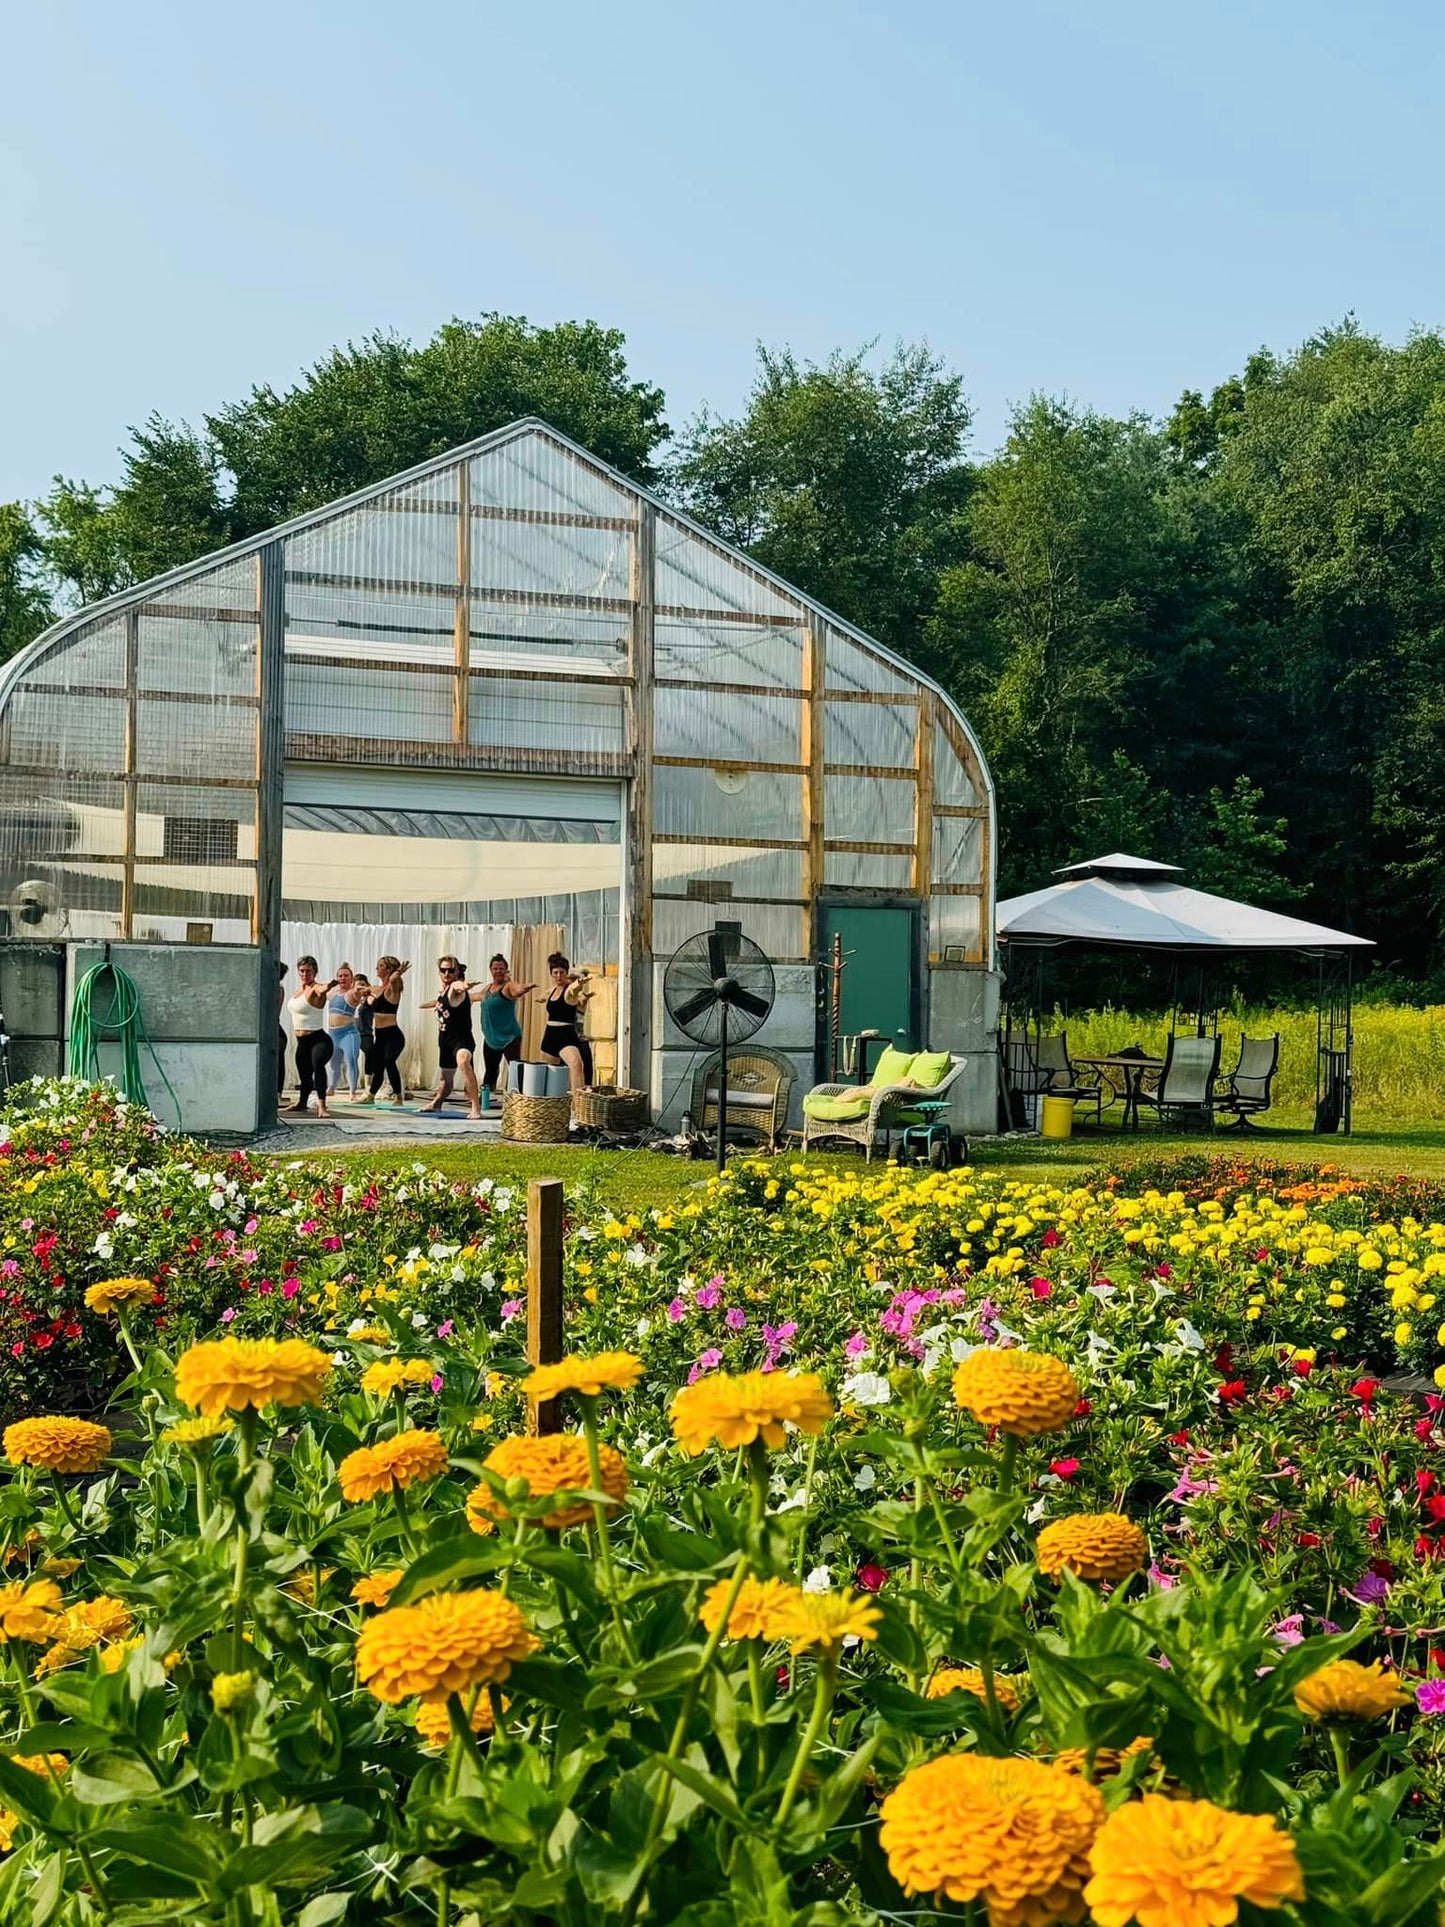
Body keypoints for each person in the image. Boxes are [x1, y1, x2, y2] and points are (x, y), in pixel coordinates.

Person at [421, 956, 486, 1119]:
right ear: (439, 973)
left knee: (463, 1061)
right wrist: (426, 1005)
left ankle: (475, 1107)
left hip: (461, 1040)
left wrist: (466, 985)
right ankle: (437, 1103)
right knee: (445, 1082)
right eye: (443, 970)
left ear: (457, 972)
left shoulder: (455, 987)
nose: (447, 973)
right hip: (445, 1041)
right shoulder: (443, 993)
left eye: (451, 970)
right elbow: (439, 1003)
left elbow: (460, 987)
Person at [479, 953, 534, 1106]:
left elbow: (516, 989)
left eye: (501, 968)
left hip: (510, 1036)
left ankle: (522, 1099)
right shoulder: (488, 988)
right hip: (491, 1037)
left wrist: (524, 988)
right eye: (495, 968)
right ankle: (485, 1100)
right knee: (490, 1070)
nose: (498, 971)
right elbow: (476, 997)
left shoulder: (507, 986)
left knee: (516, 1068)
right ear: (491, 970)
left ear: (505, 970)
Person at [356, 956, 409, 1105]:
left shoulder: (393, 987)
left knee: (389, 1061)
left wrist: (399, 971)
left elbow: (393, 979)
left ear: (389, 969)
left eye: (380, 966)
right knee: (377, 1066)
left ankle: (399, 1096)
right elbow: (371, 989)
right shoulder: (378, 989)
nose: (376, 968)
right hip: (380, 1035)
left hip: (393, 1035)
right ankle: (371, 1096)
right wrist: (365, 989)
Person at [540, 951, 594, 1094]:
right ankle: (552, 1105)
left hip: (566, 1036)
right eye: (555, 972)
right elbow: (544, 994)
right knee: (551, 1074)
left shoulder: (569, 989)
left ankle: (578, 1103)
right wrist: (539, 998)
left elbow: (573, 990)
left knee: (576, 1064)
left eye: (562, 973)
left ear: (566, 973)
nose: (559, 976)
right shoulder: (552, 990)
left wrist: (579, 983)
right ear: (551, 973)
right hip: (550, 1035)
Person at [286, 956, 333, 1118]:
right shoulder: (297, 992)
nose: (305, 974)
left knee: (318, 1065)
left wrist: (330, 985)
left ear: (315, 971)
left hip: (319, 1040)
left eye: (309, 971)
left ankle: (322, 1106)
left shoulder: (316, 988)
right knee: (304, 1074)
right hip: (302, 1042)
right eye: (302, 971)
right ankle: (302, 1102)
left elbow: (322, 989)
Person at [326, 962, 365, 1100]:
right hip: (333, 1034)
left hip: (348, 1034)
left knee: (351, 1060)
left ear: (351, 978)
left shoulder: (353, 992)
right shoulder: (332, 993)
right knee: (334, 1063)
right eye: (340, 976)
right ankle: (331, 1087)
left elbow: (361, 992)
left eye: (346, 976)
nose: (343, 978)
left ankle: (353, 1092)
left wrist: (363, 990)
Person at [353, 973, 375, 1089]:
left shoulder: (368, 998)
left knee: (369, 1057)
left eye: (363, 984)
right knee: (350, 1059)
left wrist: (371, 995)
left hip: (365, 1033)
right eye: (358, 985)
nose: (361, 987)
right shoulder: (351, 998)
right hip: (351, 1033)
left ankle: (368, 1085)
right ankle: (352, 1085)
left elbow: (373, 1001)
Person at [276, 962, 288, 1098]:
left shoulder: (278, 988)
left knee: (279, 1060)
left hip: (276, 1030)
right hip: (276, 1030)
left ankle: (278, 1093)